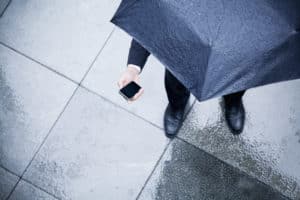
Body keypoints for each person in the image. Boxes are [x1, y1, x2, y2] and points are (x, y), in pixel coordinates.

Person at [118, 39, 246, 138]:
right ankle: (177, 105)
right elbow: (147, 16)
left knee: (235, 74)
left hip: (233, 47)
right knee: (176, 79)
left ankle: (232, 100)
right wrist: (132, 69)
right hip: (183, 49)